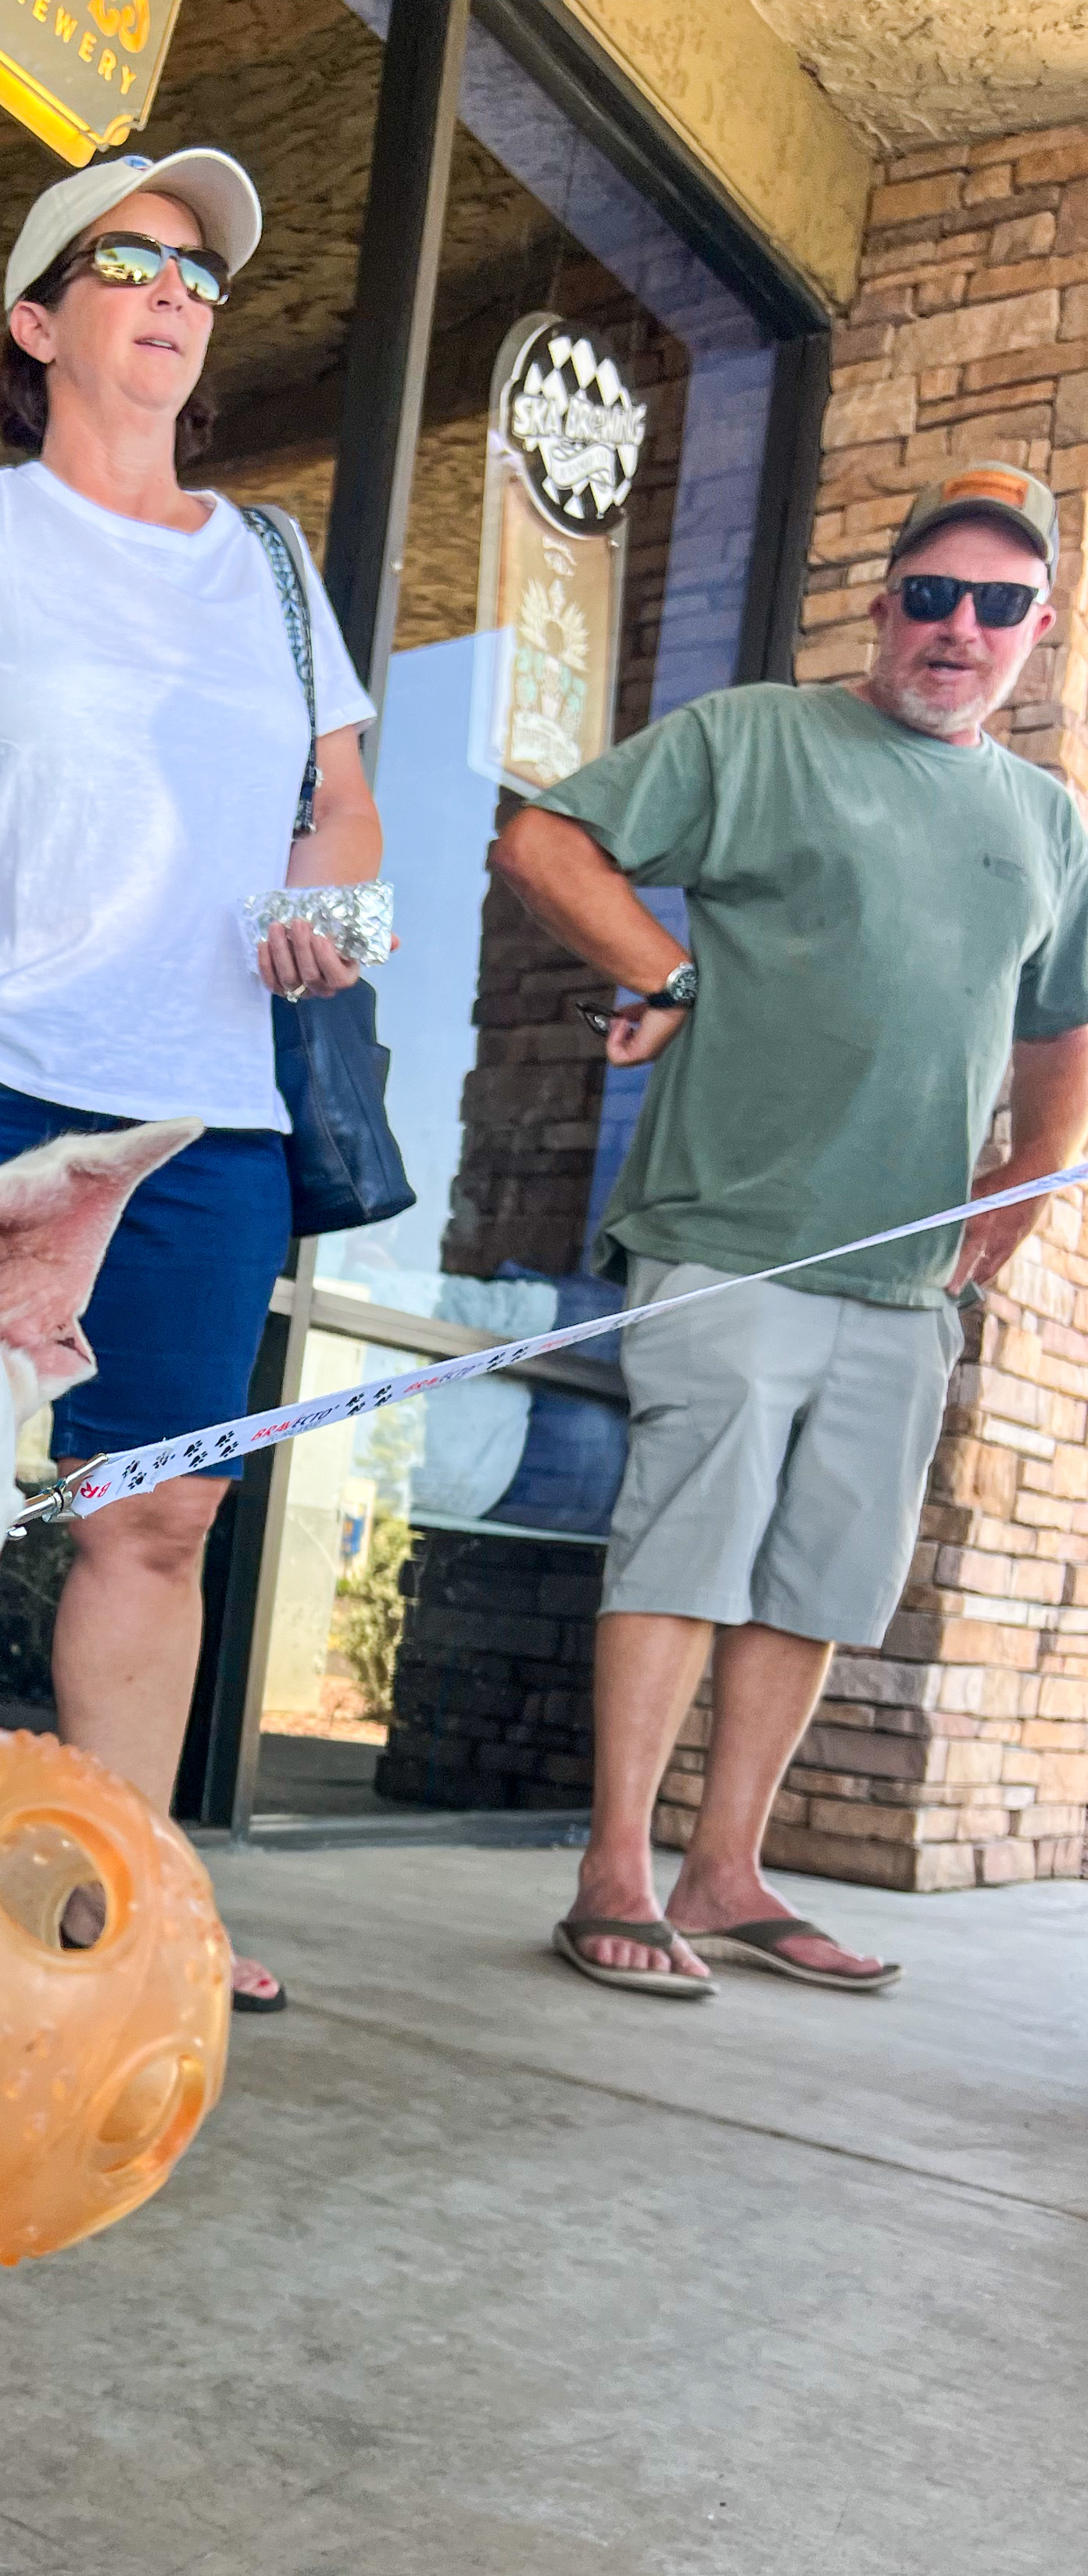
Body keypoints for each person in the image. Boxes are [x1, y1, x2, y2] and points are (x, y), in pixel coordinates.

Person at [0, 148, 384, 2013]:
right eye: (131, 260)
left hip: (206, 1122)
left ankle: (120, 1911)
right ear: (38, 324)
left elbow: (346, 814)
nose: (176, 292)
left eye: (201, 275)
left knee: (161, 1512)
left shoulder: (273, 568)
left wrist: (338, 922)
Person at [494, 461, 1088, 1998]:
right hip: (732, 1229)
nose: (959, 627)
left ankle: (728, 1871)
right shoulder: (756, 737)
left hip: (905, 1278)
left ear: (1036, 631)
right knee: (685, 1549)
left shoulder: (1045, 820)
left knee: (820, 1577)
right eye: (932, 594)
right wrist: (667, 974)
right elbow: (546, 844)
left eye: (998, 605)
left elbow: (1061, 1019)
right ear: (884, 603)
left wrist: (1029, 1172)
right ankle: (615, 1872)